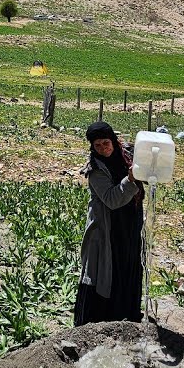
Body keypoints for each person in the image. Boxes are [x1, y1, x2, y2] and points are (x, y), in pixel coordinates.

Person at [74, 121, 146, 325]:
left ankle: (127, 317)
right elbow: (112, 200)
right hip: (107, 229)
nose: (103, 149)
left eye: (106, 143)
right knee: (105, 273)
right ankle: (98, 324)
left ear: (113, 141)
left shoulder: (126, 155)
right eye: (97, 146)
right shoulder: (95, 169)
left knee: (128, 266)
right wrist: (130, 180)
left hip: (130, 225)